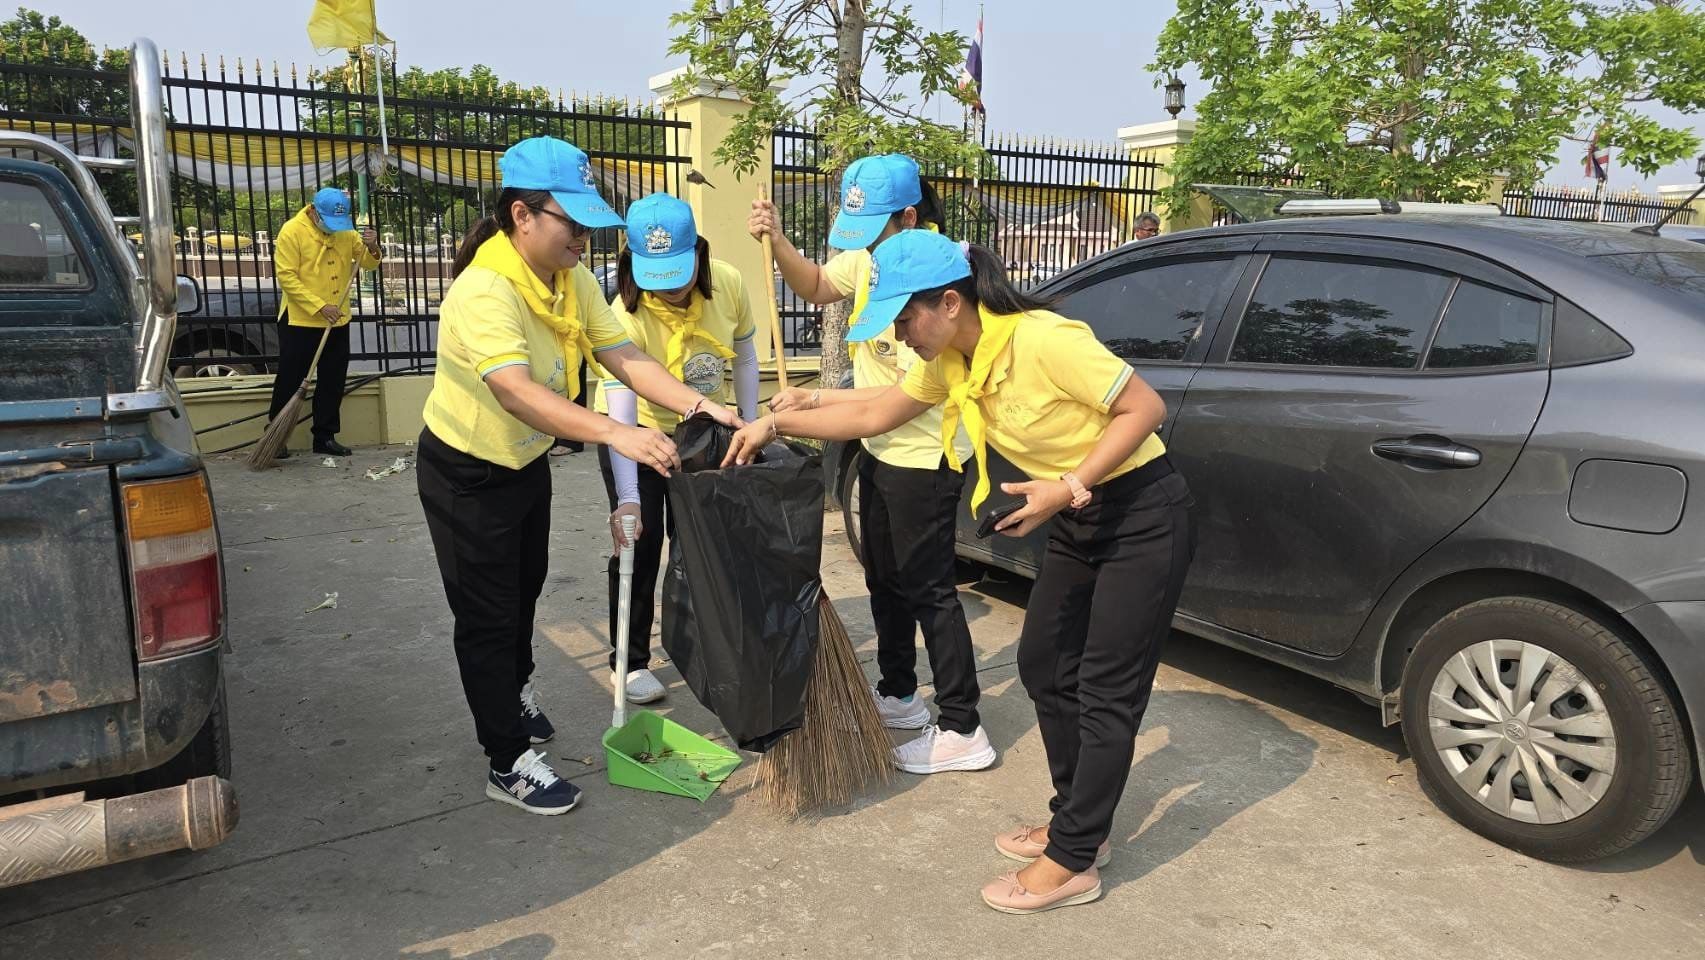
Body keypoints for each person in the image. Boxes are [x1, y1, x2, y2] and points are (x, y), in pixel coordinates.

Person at [722, 230, 1196, 915]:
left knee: (1104, 690)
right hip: (1075, 516)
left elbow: (1143, 408)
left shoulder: (1043, 339)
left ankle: (1073, 859)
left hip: (1142, 515)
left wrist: (1067, 485)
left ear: (949, 302)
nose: (900, 334)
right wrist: (782, 421)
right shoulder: (952, 357)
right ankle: (1076, 826)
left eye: (905, 319)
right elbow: (879, 411)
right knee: (1040, 664)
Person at [417, 137, 741, 817]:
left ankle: (516, 689)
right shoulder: (485, 289)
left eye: (590, 223)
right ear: (521, 216)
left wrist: (699, 403)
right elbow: (513, 390)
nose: (585, 238)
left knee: (524, 591)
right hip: (467, 472)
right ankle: (506, 761)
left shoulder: (574, 280)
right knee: (485, 615)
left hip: (525, 461)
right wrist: (617, 432)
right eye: (572, 223)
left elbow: (625, 357)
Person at [749, 154, 993, 776]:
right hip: (883, 453)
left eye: (872, 229)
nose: (859, 249)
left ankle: (963, 724)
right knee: (884, 576)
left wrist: (793, 413)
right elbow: (815, 286)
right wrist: (777, 242)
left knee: (930, 589)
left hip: (925, 456)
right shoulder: (873, 256)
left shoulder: (938, 287)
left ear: (910, 216)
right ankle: (900, 691)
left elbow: (881, 409)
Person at [593, 192, 760, 704]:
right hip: (637, 432)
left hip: (707, 431)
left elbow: (747, 358)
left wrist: (750, 429)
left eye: (680, 274)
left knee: (705, 545)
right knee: (640, 543)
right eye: (656, 276)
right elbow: (621, 407)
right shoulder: (621, 309)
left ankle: (705, 645)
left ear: (700, 255)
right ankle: (630, 658)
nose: (669, 290)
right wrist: (628, 497)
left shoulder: (728, 283)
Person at [269, 186, 380, 457]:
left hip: (338, 320)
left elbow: (366, 263)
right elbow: (287, 277)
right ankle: (276, 435)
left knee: (333, 379)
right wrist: (319, 307)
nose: (334, 228)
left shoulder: (345, 231)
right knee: (291, 379)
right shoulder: (292, 232)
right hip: (301, 320)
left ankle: (325, 436)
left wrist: (373, 246)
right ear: (314, 211)